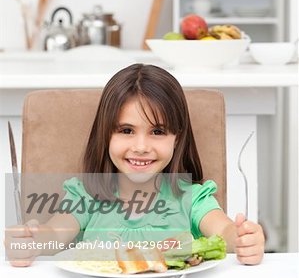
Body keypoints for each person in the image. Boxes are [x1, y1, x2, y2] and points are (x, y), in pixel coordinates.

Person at [5, 63, 264, 267]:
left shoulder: (192, 198)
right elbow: (54, 233)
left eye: (158, 131)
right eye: (126, 130)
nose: (141, 146)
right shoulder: (86, 196)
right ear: (105, 134)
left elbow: (224, 231)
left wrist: (242, 240)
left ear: (177, 138)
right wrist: (32, 240)